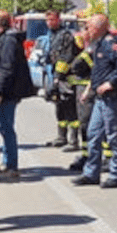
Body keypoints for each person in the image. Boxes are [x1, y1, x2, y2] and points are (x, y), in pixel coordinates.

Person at [72, 14, 117, 189]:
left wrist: (110, 83)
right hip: (99, 99)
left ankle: (116, 175)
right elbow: (98, 72)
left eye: (89, 27)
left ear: (98, 28)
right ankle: (91, 174)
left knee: (114, 138)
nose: (86, 30)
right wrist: (89, 90)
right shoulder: (97, 45)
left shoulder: (110, 44)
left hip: (113, 98)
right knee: (93, 134)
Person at [0, 10, 33, 179]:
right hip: (10, 91)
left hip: (8, 92)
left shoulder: (8, 40)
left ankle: (11, 166)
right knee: (4, 127)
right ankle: (7, 162)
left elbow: (6, 70)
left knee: (6, 128)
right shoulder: (7, 38)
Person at [44, 10, 79, 150]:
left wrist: (58, 78)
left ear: (58, 19)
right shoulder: (52, 36)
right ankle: (61, 137)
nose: (49, 23)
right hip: (57, 77)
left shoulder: (66, 36)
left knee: (70, 109)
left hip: (67, 78)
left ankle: (74, 141)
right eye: (47, 20)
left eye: (52, 19)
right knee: (59, 108)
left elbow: (66, 58)